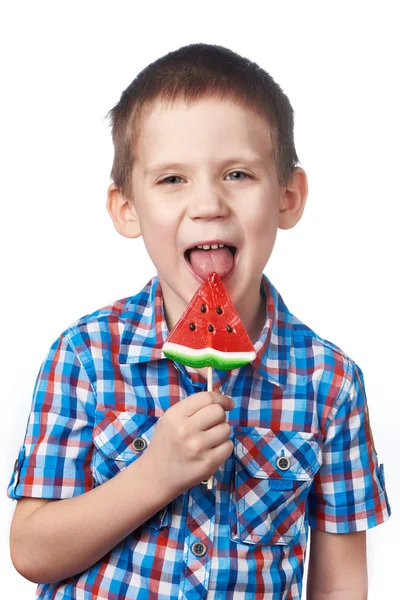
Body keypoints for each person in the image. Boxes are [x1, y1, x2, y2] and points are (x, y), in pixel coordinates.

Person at [7, 42, 391, 599]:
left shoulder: (330, 384)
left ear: (288, 197)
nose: (208, 203)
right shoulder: (86, 356)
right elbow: (31, 551)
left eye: (237, 173)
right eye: (172, 180)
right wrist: (154, 474)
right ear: (126, 208)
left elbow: (342, 584)